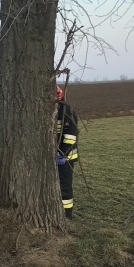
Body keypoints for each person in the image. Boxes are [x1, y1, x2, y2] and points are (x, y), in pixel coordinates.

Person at [56, 84, 79, 218]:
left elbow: (70, 137)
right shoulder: (55, 110)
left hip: (66, 157)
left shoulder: (66, 111)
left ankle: (67, 214)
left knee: (64, 185)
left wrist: (62, 155)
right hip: (57, 155)